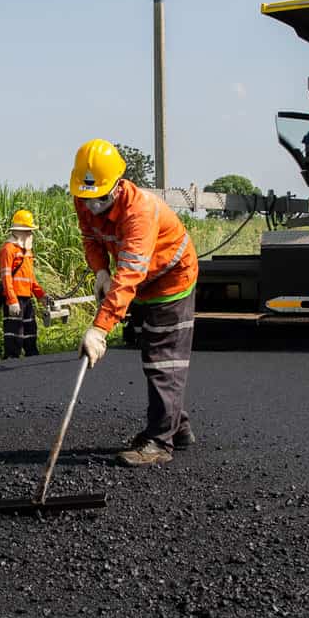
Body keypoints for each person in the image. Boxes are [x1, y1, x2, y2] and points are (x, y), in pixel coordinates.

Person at [70, 139, 200, 466]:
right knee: (153, 355)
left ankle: (159, 443)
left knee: (162, 360)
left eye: (99, 197)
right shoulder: (84, 197)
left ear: (116, 186)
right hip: (142, 280)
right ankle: (176, 428)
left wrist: (99, 329)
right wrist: (100, 271)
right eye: (86, 198)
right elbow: (90, 237)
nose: (91, 205)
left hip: (172, 278)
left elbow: (128, 275)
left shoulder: (139, 212)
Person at [0, 208, 48, 358]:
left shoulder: (27, 252)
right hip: (14, 299)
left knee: (30, 330)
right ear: (19, 231)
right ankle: (12, 361)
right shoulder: (8, 250)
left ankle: (32, 357)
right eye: (28, 231)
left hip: (27, 298)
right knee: (14, 334)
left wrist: (41, 295)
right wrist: (12, 301)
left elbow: (30, 278)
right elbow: (6, 277)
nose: (30, 234)